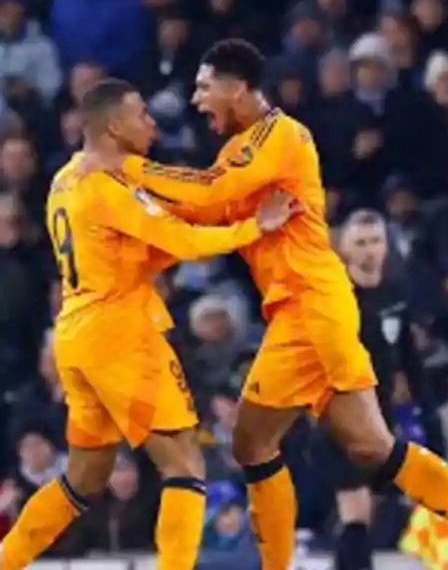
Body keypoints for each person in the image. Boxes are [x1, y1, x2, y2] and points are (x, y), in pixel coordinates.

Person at [87, 39, 448, 570]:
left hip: (313, 309)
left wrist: (126, 168)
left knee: (321, 446)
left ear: (238, 88)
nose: (197, 98)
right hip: (295, 314)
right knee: (282, 444)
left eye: (205, 87)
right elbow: (209, 211)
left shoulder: (282, 135)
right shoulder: (237, 150)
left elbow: (208, 193)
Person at [0, 78, 299, 570]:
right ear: (114, 126)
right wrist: (254, 227)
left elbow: (135, 249)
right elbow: (179, 241)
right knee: (184, 463)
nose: (152, 123)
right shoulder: (107, 186)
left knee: (84, 476)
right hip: (121, 332)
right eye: (142, 114)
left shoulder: (65, 178)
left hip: (76, 332)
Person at [328, 208, 423, 570]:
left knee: (367, 515)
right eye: (360, 242)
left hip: (383, 415)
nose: (369, 250)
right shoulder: (333, 296)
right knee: (355, 510)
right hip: (339, 414)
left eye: (376, 241)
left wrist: (424, 409)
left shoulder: (397, 293)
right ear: (345, 249)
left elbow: (410, 358)